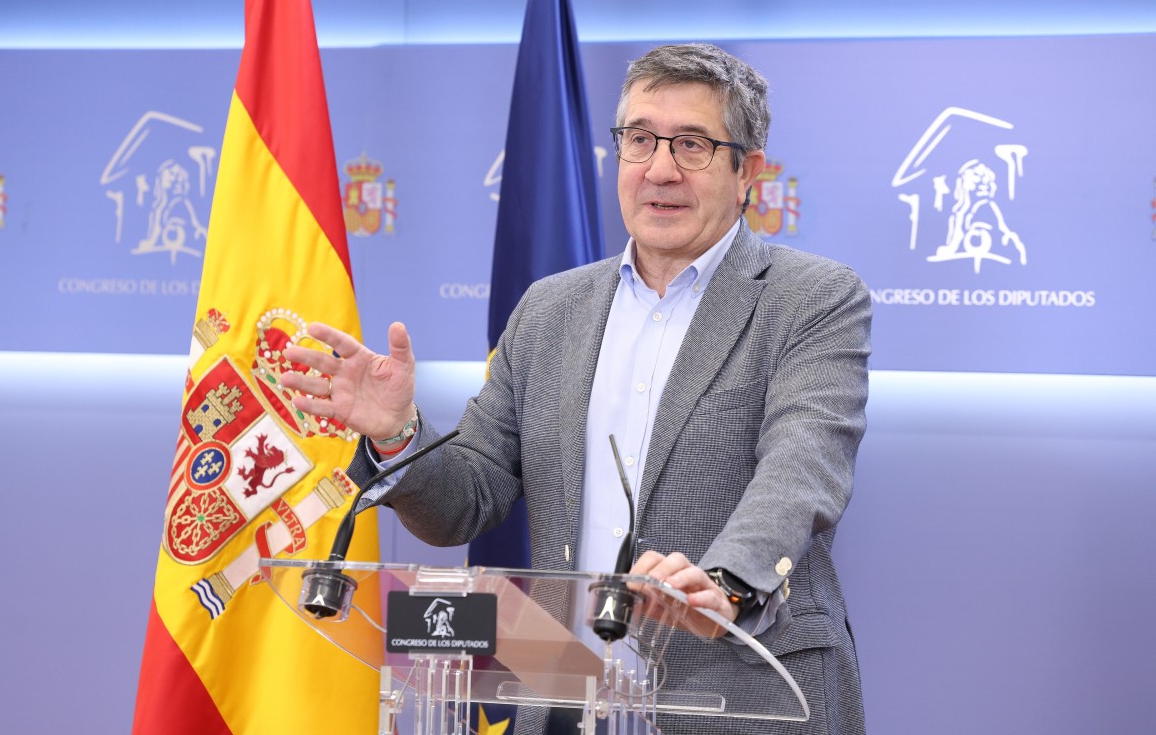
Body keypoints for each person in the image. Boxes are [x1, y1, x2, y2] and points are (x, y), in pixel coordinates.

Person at [283, 43, 871, 735]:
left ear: (747, 171)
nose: (659, 169)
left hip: (744, 701)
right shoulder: (549, 309)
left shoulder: (813, 299)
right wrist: (397, 434)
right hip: (565, 697)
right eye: (639, 139)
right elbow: (467, 499)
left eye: (692, 145)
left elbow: (802, 467)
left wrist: (727, 582)